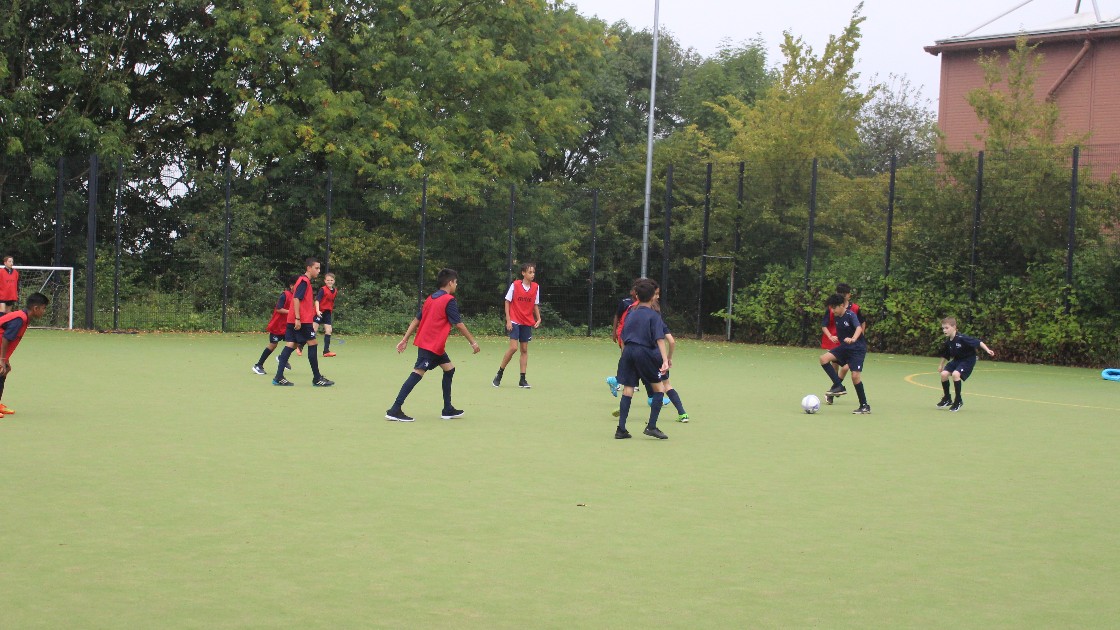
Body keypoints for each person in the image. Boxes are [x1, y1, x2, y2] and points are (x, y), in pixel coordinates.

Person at [386, 268, 481, 422]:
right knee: (417, 373)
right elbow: (459, 324)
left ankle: (447, 409)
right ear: (450, 282)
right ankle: (395, 409)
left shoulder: (430, 298)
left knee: (449, 369)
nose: (456, 285)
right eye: (456, 282)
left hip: (436, 346)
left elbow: (417, 319)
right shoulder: (449, 300)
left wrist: (405, 339)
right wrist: (473, 342)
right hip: (429, 345)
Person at [613, 278, 670, 440]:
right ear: (652, 296)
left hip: (628, 351)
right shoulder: (653, 315)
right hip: (643, 352)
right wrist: (665, 360)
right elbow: (660, 339)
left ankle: (621, 429)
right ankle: (651, 426)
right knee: (659, 389)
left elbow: (623, 335)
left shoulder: (631, 312)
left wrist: (625, 355)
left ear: (637, 296)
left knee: (628, 388)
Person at [272, 258, 333, 387]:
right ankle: (317, 378)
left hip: (298, 320)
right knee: (313, 343)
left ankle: (278, 377)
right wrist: (298, 318)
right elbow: (296, 299)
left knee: (291, 345)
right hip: (302, 321)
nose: (319, 271)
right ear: (308, 268)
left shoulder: (304, 281)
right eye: (316, 268)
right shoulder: (304, 281)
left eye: (319, 268)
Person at [819, 293, 871, 414]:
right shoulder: (837, 316)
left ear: (842, 305)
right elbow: (843, 330)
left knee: (855, 376)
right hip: (845, 347)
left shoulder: (850, 315)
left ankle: (864, 406)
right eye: (831, 308)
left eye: (834, 307)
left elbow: (858, 328)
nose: (832, 310)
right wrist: (837, 337)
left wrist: (853, 338)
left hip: (857, 348)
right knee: (824, 359)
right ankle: (838, 386)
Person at [0, 292, 49, 416]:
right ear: (35, 308)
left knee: (3, 373)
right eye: (44, 308)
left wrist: (6, 360)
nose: (44, 311)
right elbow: (6, 338)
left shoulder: (24, 318)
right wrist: (2, 359)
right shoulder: (19, 319)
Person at [492, 262, 540, 389]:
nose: (532, 274)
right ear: (523, 273)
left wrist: (538, 318)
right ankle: (499, 374)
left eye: (533, 272)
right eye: (530, 272)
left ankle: (522, 380)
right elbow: (507, 302)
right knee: (513, 348)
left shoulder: (535, 287)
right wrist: (508, 320)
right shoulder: (515, 285)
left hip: (526, 322)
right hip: (514, 320)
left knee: (524, 349)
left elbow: (535, 304)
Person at [937, 317, 995, 412]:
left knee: (956, 374)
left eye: (946, 328)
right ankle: (947, 398)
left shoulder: (962, 338)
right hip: (957, 360)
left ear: (954, 327)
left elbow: (978, 342)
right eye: (943, 328)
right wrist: (941, 365)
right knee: (943, 374)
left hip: (968, 360)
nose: (944, 330)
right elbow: (945, 354)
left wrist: (988, 350)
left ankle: (958, 400)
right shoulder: (948, 341)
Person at [253, 275, 296, 375]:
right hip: (277, 325)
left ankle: (282, 357)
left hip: (287, 326)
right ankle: (258, 365)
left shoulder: (297, 297)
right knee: (273, 345)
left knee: (296, 342)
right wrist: (291, 312)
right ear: (291, 286)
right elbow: (278, 309)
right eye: (296, 285)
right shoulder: (285, 295)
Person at [316, 272, 339, 357]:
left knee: (329, 330)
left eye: (331, 280)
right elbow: (317, 301)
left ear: (334, 281)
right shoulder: (322, 289)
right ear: (325, 281)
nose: (330, 281)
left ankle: (326, 351)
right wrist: (317, 311)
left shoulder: (335, 291)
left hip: (327, 313)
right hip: (319, 312)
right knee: (312, 331)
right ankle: (300, 346)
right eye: (328, 280)